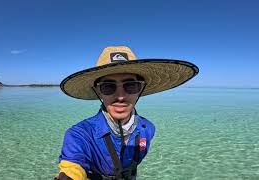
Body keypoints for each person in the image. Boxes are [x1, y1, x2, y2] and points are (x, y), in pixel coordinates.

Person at [55, 46, 199, 180]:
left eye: (130, 85)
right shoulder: (80, 134)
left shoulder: (148, 128)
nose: (120, 97)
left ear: (140, 89)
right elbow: (72, 168)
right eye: (108, 87)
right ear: (98, 91)